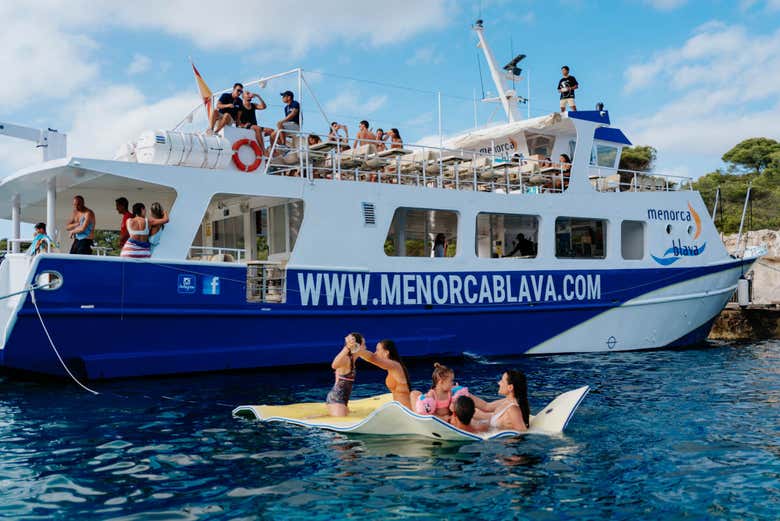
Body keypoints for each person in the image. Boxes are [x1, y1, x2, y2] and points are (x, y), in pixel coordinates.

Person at [355, 338, 411, 408]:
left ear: (386, 353)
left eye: (377, 350)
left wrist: (356, 348)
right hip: (401, 409)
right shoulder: (393, 366)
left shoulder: (394, 365)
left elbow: (373, 358)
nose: (375, 353)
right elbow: (372, 358)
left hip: (406, 410)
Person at [326, 332, 363, 416]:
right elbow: (334, 365)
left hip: (343, 400)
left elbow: (371, 357)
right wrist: (347, 346)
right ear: (357, 346)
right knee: (339, 422)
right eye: (364, 345)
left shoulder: (353, 357)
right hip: (336, 399)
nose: (366, 347)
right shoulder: (346, 359)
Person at [237, 90, 268, 155]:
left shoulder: (253, 105)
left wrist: (258, 96)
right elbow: (237, 121)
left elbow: (264, 107)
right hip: (246, 126)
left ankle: (273, 151)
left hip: (255, 126)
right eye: (247, 93)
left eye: (250, 93)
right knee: (258, 128)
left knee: (271, 131)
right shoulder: (240, 107)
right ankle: (263, 151)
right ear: (243, 96)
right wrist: (243, 125)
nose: (249, 95)